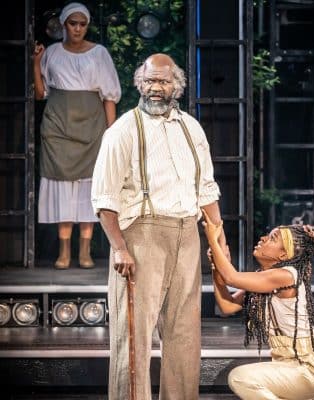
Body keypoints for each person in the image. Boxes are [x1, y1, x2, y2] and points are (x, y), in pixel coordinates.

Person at [91, 53, 229, 400]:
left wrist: (219, 242)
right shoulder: (123, 130)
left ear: (176, 86)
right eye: (150, 80)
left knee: (184, 334)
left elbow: (206, 189)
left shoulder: (191, 128)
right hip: (142, 235)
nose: (156, 87)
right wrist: (119, 247)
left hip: (187, 233)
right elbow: (104, 198)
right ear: (140, 84)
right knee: (133, 337)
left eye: (163, 81)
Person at [202, 209, 314, 400]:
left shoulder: (286, 275)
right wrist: (216, 267)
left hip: (308, 369)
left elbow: (231, 277)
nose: (263, 238)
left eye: (272, 238)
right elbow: (227, 306)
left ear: (283, 255)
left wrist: (213, 241)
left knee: (239, 378)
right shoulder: (265, 280)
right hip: (289, 367)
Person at [33, 2, 121, 269]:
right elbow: (41, 93)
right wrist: (36, 62)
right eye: (73, 23)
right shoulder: (52, 53)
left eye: (82, 24)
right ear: (64, 25)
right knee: (62, 186)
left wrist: (111, 133)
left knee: (88, 186)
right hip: (58, 125)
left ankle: (84, 251)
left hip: (91, 125)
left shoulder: (99, 53)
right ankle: (63, 251)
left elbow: (109, 96)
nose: (78, 29)